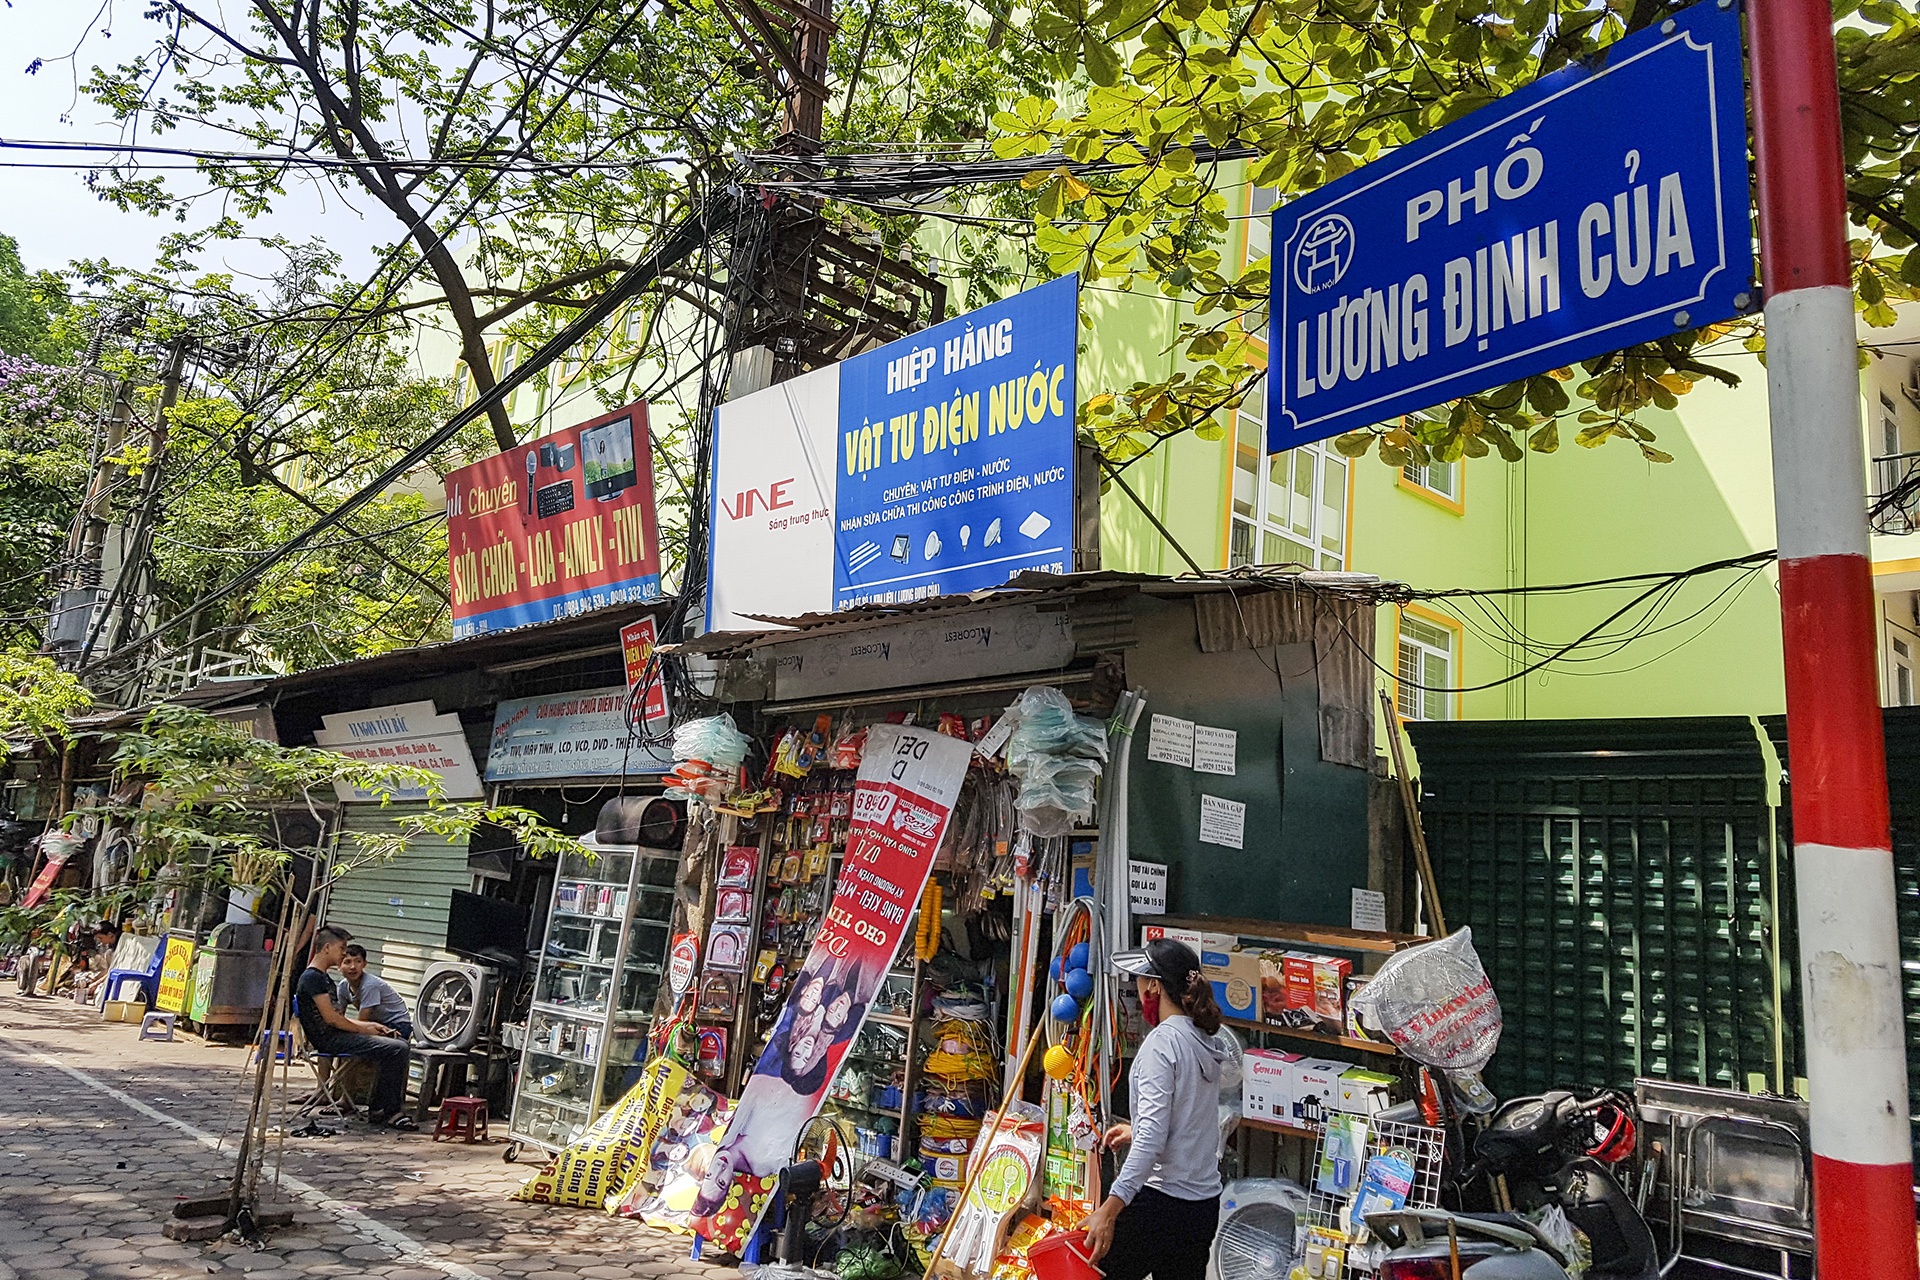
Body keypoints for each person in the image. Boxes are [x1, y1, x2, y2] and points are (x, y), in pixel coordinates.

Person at [1082, 938, 1237, 1280]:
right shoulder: (1204, 1040)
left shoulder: (1162, 1044)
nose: (1136, 989)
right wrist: (1136, 1130)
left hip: (1161, 1202)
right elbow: (1191, 1117)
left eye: (1139, 980)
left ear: (1153, 985)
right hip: (1202, 1206)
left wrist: (1111, 1207)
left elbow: (1153, 1138)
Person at [295, 924, 417, 1130]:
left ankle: (379, 1108)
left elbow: (338, 1018)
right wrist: (366, 1029)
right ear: (327, 948)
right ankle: (388, 1111)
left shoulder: (323, 977)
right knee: (398, 1048)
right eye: (341, 948)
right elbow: (332, 1019)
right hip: (330, 1039)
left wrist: (372, 1025)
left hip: (337, 1034)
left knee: (395, 1044)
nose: (344, 953)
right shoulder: (312, 978)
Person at [336, 944, 413, 1041]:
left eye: (358, 961)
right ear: (339, 966)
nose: (353, 967)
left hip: (397, 1025)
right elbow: (338, 1016)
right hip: (376, 1024)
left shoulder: (370, 985)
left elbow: (362, 1021)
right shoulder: (342, 986)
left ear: (364, 964)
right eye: (347, 962)